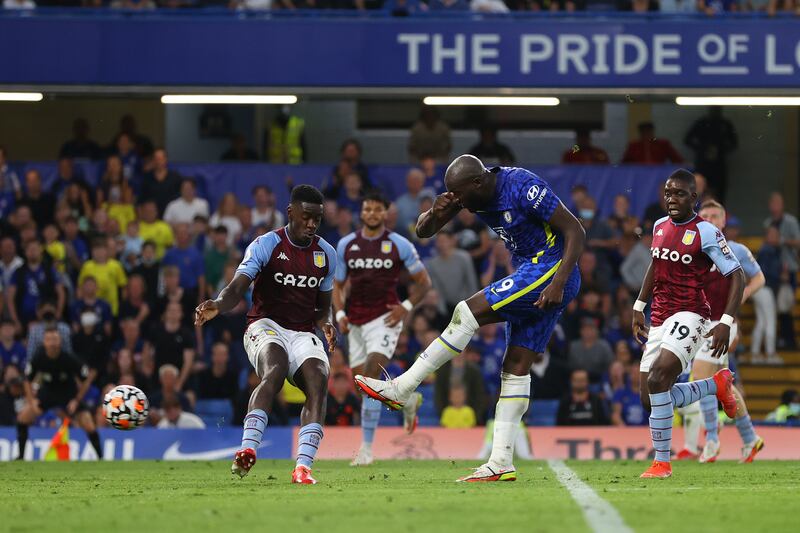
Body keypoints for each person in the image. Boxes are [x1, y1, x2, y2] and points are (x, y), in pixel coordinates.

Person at [356, 155, 585, 482]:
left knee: (467, 311)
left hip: (549, 268)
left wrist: (559, 281)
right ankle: (501, 461)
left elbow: (575, 229)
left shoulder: (522, 186)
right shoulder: (470, 194)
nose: (458, 200)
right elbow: (424, 231)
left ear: (478, 182)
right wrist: (437, 211)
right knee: (515, 367)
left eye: (459, 193)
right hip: (531, 271)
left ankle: (403, 387)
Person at [195, 185, 337, 485]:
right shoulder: (267, 244)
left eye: (317, 219)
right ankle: (247, 448)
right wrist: (219, 305)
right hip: (264, 324)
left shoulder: (326, 255)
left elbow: (324, 307)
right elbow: (237, 287)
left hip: (301, 331)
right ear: (290, 213)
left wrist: (326, 324)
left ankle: (302, 467)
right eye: (306, 217)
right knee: (276, 368)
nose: (311, 224)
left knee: (319, 378)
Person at [632, 169, 743, 479]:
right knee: (649, 397)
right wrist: (639, 305)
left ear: (693, 198)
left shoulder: (706, 232)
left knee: (658, 380)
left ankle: (662, 463)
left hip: (692, 314)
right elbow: (656, 265)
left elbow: (737, 275)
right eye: (668, 192)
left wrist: (725, 321)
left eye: (679, 193)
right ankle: (716, 385)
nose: (672, 198)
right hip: (659, 317)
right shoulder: (658, 226)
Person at [332, 191, 432, 466]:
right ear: (361, 212)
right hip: (355, 322)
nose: (372, 214)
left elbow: (424, 283)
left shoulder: (399, 244)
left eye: (378, 209)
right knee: (363, 386)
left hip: (386, 318)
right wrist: (339, 312)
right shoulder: (347, 245)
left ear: (386, 213)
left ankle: (365, 450)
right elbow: (338, 286)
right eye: (368, 209)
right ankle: (407, 401)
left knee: (372, 375)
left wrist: (406, 307)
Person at [688, 200, 766, 463]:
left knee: (699, 377)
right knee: (722, 385)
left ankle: (711, 440)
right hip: (699, 323)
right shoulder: (693, 250)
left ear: (723, 221)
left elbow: (759, 278)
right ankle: (750, 438)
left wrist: (742, 296)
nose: (709, 219)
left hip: (722, 324)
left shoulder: (736, 250)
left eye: (715, 216)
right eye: (705, 215)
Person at [16, 327, 103, 460]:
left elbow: (86, 379)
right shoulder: (38, 358)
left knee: (89, 424)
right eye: (49, 340)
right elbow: (27, 380)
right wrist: (31, 401)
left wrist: (77, 400)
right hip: (47, 395)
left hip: (68, 395)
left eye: (55, 339)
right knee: (22, 418)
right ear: (44, 342)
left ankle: (100, 458)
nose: (52, 343)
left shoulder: (69, 358)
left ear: (60, 342)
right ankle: (21, 457)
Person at [684, 107, 737, 200]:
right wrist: (701, 149)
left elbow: (734, 143)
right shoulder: (702, 123)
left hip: (718, 164)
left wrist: (721, 150)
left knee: (719, 192)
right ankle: (699, 211)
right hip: (703, 164)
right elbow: (687, 140)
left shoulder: (724, 124)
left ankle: (718, 212)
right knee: (699, 189)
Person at [78, 238, 128, 317]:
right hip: (90, 308)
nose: (98, 253)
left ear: (106, 251)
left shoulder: (116, 266)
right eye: (96, 250)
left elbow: (123, 287)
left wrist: (123, 305)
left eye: (101, 250)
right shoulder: (87, 266)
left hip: (112, 308)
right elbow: (80, 287)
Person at [140, 148, 182, 217]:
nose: (158, 161)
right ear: (153, 161)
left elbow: (180, 199)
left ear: (166, 160)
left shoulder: (175, 177)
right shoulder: (146, 178)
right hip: (151, 218)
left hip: (171, 217)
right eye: (156, 159)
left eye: (160, 159)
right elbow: (141, 200)